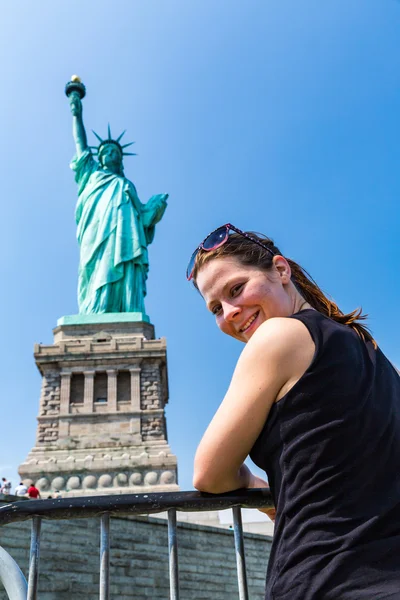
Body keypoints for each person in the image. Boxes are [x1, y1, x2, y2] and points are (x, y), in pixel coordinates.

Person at [188, 223, 400, 600]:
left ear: (281, 270)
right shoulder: (373, 353)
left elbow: (208, 473)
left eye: (236, 289)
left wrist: (259, 489)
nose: (231, 313)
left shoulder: (278, 336)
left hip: (325, 579)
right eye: (216, 308)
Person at [68, 91, 168, 315]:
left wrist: (155, 209)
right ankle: (95, 311)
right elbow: (80, 145)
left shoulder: (127, 185)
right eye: (106, 151)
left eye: (115, 152)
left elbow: (142, 218)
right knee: (94, 270)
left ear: (120, 160)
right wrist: (77, 115)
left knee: (125, 264)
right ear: (100, 158)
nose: (111, 153)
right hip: (96, 234)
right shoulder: (91, 174)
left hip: (124, 237)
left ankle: (125, 308)